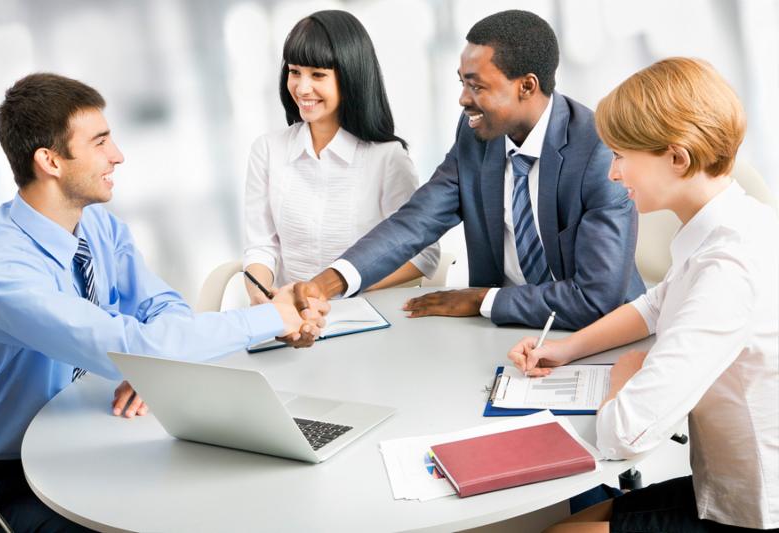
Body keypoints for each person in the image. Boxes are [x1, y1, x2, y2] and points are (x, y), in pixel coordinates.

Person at [0, 73, 324, 532]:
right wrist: (271, 316)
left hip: (95, 433)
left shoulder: (99, 226)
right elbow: (134, 340)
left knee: (232, 500)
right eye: (100, 142)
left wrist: (150, 366)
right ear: (50, 161)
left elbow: (162, 308)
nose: (117, 155)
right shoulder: (1, 270)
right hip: (12, 481)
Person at [509, 58, 779, 531]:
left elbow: (623, 436)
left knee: (556, 529)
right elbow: (655, 304)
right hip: (722, 482)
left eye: (621, 156)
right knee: (569, 517)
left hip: (755, 508)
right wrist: (564, 349)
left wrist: (625, 376)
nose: (613, 174)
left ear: (677, 157)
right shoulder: (731, 225)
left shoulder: (728, 268)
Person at [291, 10, 645, 332]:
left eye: (476, 86)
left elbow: (597, 299)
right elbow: (414, 222)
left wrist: (481, 300)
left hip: (598, 335)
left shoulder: (598, 151)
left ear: (526, 86)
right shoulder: (477, 137)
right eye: (462, 82)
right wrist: (325, 284)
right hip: (499, 332)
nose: (462, 98)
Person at [243, 9, 439, 306]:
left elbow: (424, 255)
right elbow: (261, 247)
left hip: (362, 314)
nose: (302, 87)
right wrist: (263, 297)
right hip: (289, 317)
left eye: (318, 74)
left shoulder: (387, 158)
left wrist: (340, 290)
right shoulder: (267, 150)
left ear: (350, 78)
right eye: (295, 72)